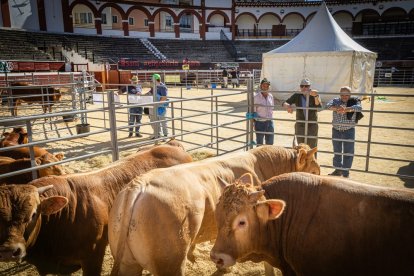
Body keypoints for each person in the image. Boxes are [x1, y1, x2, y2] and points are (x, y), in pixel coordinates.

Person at [326, 86, 363, 178]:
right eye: (342, 94)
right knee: (337, 151)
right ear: (340, 94)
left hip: (349, 130)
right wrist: (337, 108)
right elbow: (327, 106)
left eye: (346, 95)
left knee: (348, 152)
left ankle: (346, 172)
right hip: (336, 130)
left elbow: (359, 108)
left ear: (350, 94)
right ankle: (338, 170)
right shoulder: (336, 100)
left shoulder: (355, 100)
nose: (344, 96)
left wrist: (346, 109)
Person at [282, 78, 322, 148]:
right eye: (302, 86)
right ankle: (298, 159)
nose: (304, 88)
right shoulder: (297, 95)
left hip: (312, 124)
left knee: (312, 145)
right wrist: (287, 106)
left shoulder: (314, 94)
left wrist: (316, 96)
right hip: (300, 124)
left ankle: (311, 159)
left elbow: (319, 106)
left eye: (306, 86)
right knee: (298, 144)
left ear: (310, 87)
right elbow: (285, 102)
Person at [146, 73, 168, 139]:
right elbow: (149, 93)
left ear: (155, 79)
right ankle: (157, 134)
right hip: (154, 106)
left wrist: (158, 104)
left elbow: (164, 97)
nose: (152, 80)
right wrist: (143, 96)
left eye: (153, 79)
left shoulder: (163, 87)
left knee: (163, 121)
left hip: (161, 107)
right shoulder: (154, 86)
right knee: (153, 121)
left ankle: (165, 135)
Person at [253, 78, 274, 146]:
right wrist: (254, 123)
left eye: (267, 86)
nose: (265, 87)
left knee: (270, 143)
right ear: (261, 86)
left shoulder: (270, 96)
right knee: (259, 144)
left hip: (270, 122)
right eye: (264, 86)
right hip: (260, 122)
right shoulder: (256, 97)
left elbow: (272, 108)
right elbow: (253, 110)